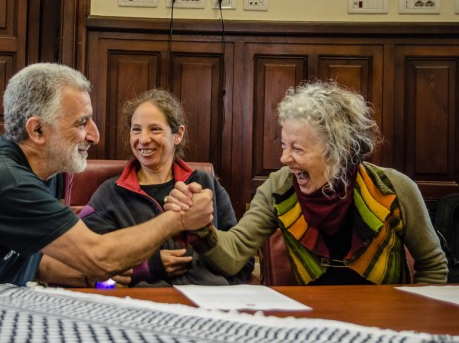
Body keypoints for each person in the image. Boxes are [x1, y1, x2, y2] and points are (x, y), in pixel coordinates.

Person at [0, 63, 215, 287]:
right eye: (82, 122)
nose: (95, 135)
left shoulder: (32, 172)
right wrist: (178, 220)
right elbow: (98, 256)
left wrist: (109, 274)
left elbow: (43, 263)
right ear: (37, 130)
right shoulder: (3, 179)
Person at [166, 80, 448, 285]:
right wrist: (201, 228)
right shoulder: (278, 188)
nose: (284, 158)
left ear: (341, 151)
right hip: (312, 324)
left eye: (298, 149)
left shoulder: (396, 188)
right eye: (284, 145)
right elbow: (234, 255)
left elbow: (433, 265)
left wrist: (415, 316)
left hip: (387, 324)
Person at [79, 89, 254, 286]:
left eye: (154, 129)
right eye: (136, 129)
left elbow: (243, 262)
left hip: (209, 305)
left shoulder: (207, 185)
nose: (143, 139)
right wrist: (148, 268)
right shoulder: (110, 193)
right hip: (142, 307)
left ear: (178, 135)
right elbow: (85, 263)